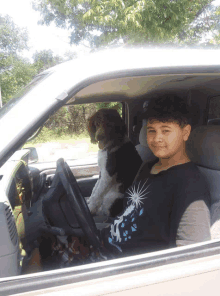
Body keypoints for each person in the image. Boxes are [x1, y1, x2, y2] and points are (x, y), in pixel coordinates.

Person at [100, 94, 211, 256]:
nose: (157, 138)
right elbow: (128, 212)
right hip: (105, 243)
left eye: (166, 130)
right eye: (152, 130)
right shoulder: (148, 165)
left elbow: (191, 255)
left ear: (185, 132)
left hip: (119, 264)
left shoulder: (191, 186)